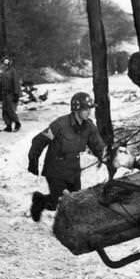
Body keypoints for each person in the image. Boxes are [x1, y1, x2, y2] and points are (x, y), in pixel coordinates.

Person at [27, 91, 106, 221]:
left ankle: (72, 227)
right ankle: (40, 202)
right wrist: (33, 162)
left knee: (76, 203)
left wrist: (108, 156)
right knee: (59, 202)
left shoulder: (89, 127)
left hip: (73, 171)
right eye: (86, 109)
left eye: (89, 109)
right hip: (55, 169)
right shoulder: (59, 125)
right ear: (76, 109)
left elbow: (98, 147)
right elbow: (39, 141)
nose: (89, 112)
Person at [0, 56, 22, 132]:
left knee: (11, 110)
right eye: (3, 64)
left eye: (5, 64)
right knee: (5, 110)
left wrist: (16, 94)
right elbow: (1, 84)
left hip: (11, 94)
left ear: (8, 65)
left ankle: (17, 123)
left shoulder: (13, 71)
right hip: (4, 94)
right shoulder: (2, 73)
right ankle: (8, 125)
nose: (3, 66)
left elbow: (16, 83)